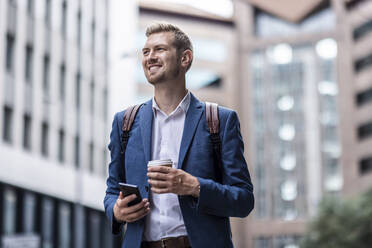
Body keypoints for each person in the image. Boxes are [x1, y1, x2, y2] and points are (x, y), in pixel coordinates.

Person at [104, 22, 254, 248]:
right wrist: (116, 211)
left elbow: (243, 200)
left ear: (185, 59)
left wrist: (194, 186)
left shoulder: (220, 120)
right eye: (146, 52)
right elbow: (112, 192)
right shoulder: (124, 122)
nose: (150, 57)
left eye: (160, 49)